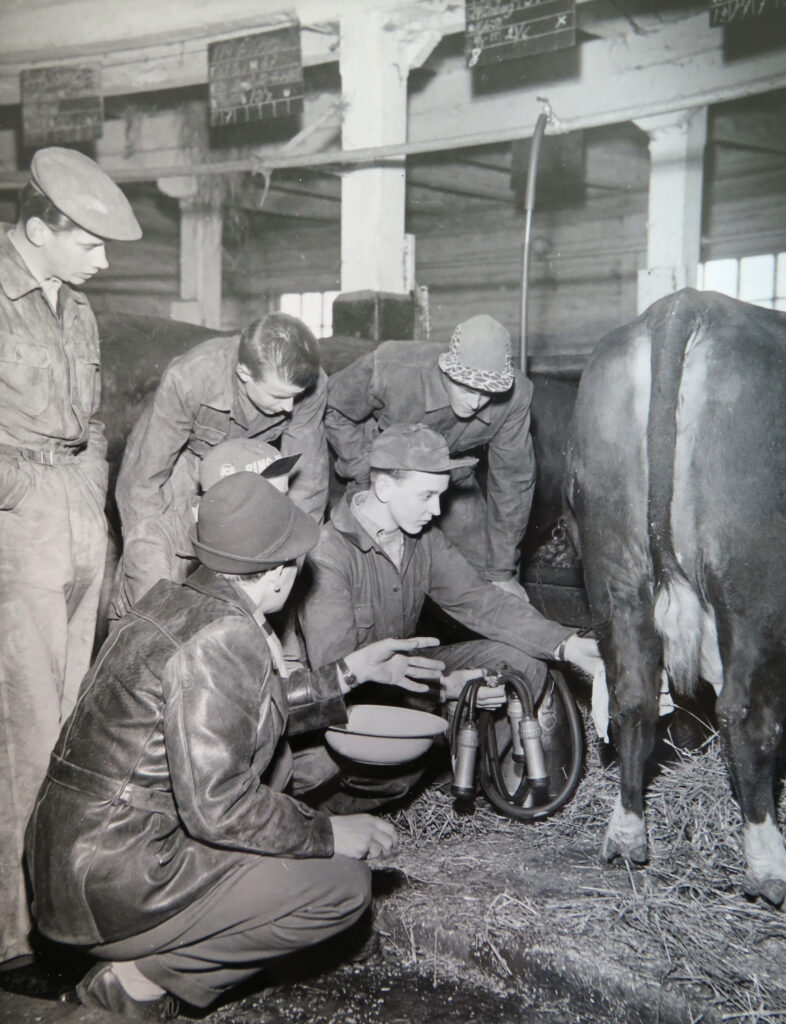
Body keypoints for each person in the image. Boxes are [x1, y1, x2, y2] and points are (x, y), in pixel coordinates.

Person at [25, 472, 446, 1019]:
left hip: (77, 855)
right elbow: (218, 806)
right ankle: (137, 982)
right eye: (297, 561)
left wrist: (348, 672)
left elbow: (237, 716)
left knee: (283, 814)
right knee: (341, 886)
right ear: (275, 575)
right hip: (118, 878)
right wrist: (328, 832)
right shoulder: (227, 635)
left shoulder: (177, 601)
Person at [0, 146, 141, 968]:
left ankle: (56, 904)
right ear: (38, 229)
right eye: (90, 241)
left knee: (67, 728)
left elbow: (89, 425)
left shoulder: (75, 307)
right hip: (17, 525)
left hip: (76, 519)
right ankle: (15, 930)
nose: (105, 258)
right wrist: (22, 495)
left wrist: (88, 499)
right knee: (22, 729)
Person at [299, 423, 602, 718]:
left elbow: (482, 602)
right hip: (357, 701)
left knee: (523, 665)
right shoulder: (328, 554)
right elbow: (340, 681)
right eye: (426, 496)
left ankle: (487, 766)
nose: (437, 511)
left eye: (440, 496)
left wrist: (565, 645)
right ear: (384, 488)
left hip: (411, 671)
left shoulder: (423, 539)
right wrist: (442, 690)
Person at [324, 314, 535, 598]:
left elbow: (513, 480)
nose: (474, 402)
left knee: (489, 580)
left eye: (486, 393)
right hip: (387, 473)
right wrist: (366, 470)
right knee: (371, 576)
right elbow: (334, 408)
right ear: (446, 369)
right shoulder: (390, 367)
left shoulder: (515, 398)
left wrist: (502, 572)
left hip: (451, 475)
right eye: (465, 387)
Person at [114, 310, 329, 551]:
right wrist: (147, 548)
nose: (289, 407)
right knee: (171, 549)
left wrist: (297, 553)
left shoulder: (309, 385)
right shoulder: (190, 377)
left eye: (295, 396)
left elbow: (308, 479)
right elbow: (143, 477)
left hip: (252, 464)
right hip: (185, 461)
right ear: (244, 373)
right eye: (278, 395)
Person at [108, 436, 301, 623]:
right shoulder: (150, 541)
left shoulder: (247, 539)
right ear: (230, 497)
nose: (282, 511)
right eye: (272, 500)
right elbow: (168, 630)